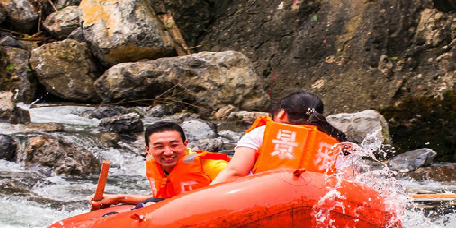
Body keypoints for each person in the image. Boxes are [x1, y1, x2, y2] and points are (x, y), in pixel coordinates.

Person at [210, 91, 348, 185]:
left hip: (259, 201)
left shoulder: (261, 133)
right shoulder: (335, 145)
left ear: (281, 114)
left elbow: (234, 173)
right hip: (311, 206)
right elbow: (348, 183)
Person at [91, 121, 230, 209]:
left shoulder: (212, 166)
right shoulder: (155, 165)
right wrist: (119, 198)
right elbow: (164, 199)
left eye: (174, 145)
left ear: (185, 145)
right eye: (159, 147)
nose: (168, 152)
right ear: (148, 150)